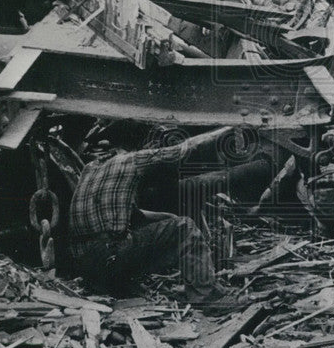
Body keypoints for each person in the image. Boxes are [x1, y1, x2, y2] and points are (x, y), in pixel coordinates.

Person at [67, 126, 241, 303]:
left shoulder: (88, 170)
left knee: (168, 227)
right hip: (112, 256)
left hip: (86, 267)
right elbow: (183, 149)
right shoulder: (130, 159)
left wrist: (168, 217)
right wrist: (227, 129)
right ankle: (206, 296)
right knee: (185, 228)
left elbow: (133, 215)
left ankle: (120, 286)